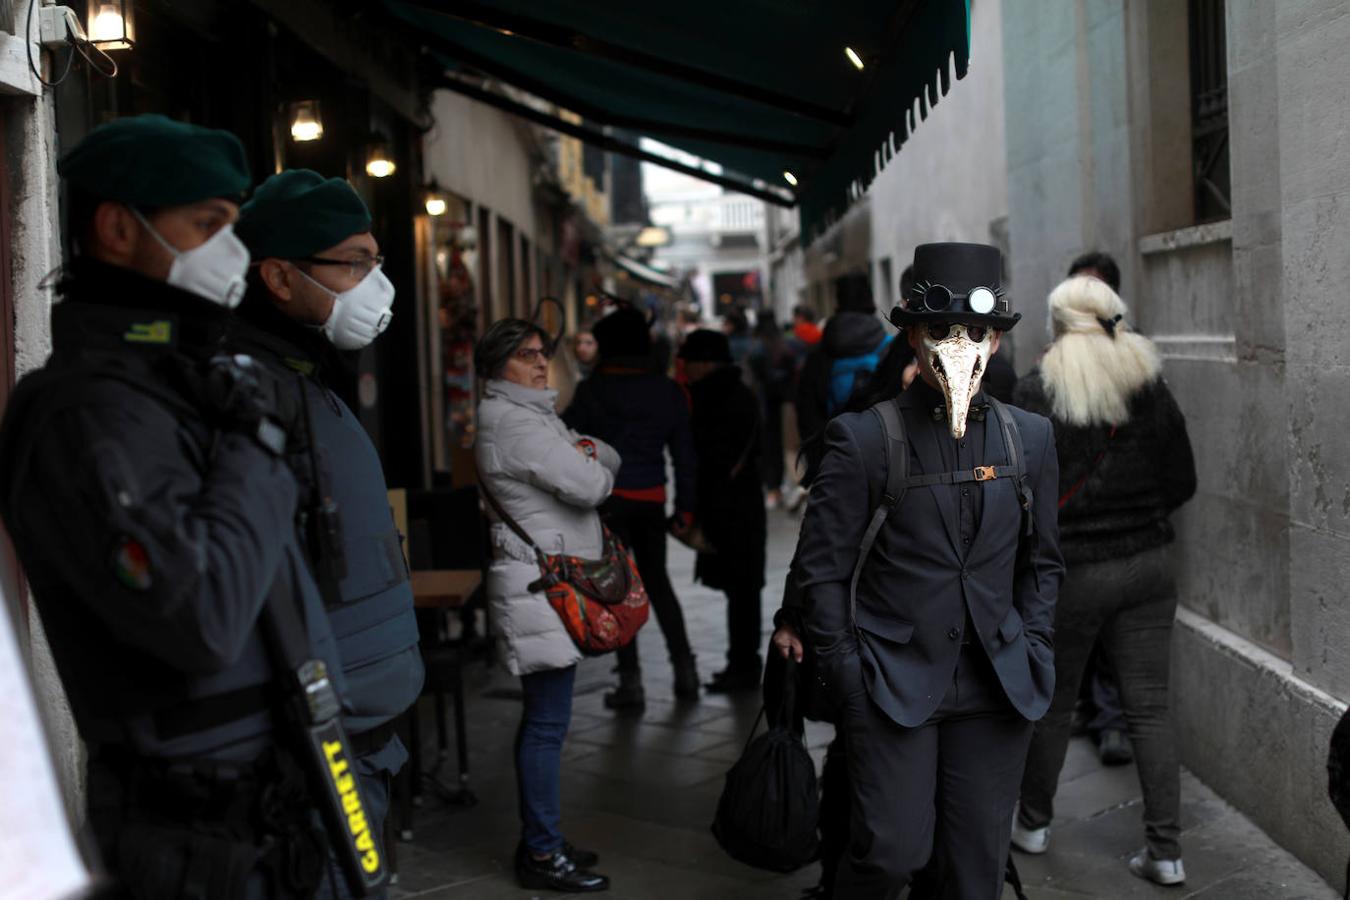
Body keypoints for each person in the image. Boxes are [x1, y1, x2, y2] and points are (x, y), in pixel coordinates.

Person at [0, 115, 351, 898]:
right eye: (208, 223)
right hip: (196, 848)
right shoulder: (86, 412)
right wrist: (259, 447)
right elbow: (201, 614)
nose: (232, 249)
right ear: (118, 227)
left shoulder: (183, 384)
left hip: (278, 818)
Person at [796, 242, 1063, 899]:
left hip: (996, 689)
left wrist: (1032, 644)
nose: (960, 347)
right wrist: (850, 678)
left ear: (997, 342)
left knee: (974, 876)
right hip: (892, 686)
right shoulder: (862, 440)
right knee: (890, 854)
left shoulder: (1029, 439)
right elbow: (819, 573)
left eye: (977, 332)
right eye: (942, 331)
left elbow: (1044, 561)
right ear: (914, 336)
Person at [232, 168, 424, 895]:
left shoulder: (310, 379)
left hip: (363, 737)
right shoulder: (252, 393)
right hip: (319, 749)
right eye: (353, 263)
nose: (375, 282)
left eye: (378, 261)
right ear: (279, 276)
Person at [1011, 275, 1197, 886]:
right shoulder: (1149, 382)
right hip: (1148, 563)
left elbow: (1018, 491)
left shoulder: (1037, 391)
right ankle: (1166, 852)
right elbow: (1183, 480)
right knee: (1150, 709)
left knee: (1055, 704)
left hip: (1073, 571)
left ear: (1057, 323)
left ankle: (1033, 823)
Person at [475, 318, 617, 893]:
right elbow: (591, 483)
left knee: (548, 720)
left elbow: (600, 457)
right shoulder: (515, 423)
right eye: (525, 355)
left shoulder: (530, 415)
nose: (539, 362)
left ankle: (545, 841)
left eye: (541, 353)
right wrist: (590, 462)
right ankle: (540, 851)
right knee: (545, 723)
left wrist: (589, 458)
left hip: (547, 583)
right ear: (497, 366)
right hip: (540, 587)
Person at [563, 307, 699, 707]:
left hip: (606, 506)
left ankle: (631, 683)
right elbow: (685, 456)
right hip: (652, 501)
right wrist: (685, 510)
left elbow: (568, 442)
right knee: (658, 584)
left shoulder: (591, 391)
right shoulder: (667, 390)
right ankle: (685, 671)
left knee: (617, 591)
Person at [1065, 249, 1132, 763]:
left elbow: (1172, 467)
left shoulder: (1135, 367)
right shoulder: (1051, 369)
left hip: (1119, 533)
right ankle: (1092, 710)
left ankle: (1109, 720)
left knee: (1111, 635)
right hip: (1069, 534)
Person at [679, 330, 768, 692]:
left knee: (741, 590)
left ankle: (744, 666)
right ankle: (742, 662)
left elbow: (710, 458)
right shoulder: (738, 392)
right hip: (741, 504)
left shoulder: (714, 398)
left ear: (704, 363)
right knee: (742, 589)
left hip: (729, 506)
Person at [793, 287, 894, 447]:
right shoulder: (891, 348)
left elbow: (806, 412)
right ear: (872, 305)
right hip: (881, 446)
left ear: (836, 307)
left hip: (830, 445)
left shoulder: (819, 353)